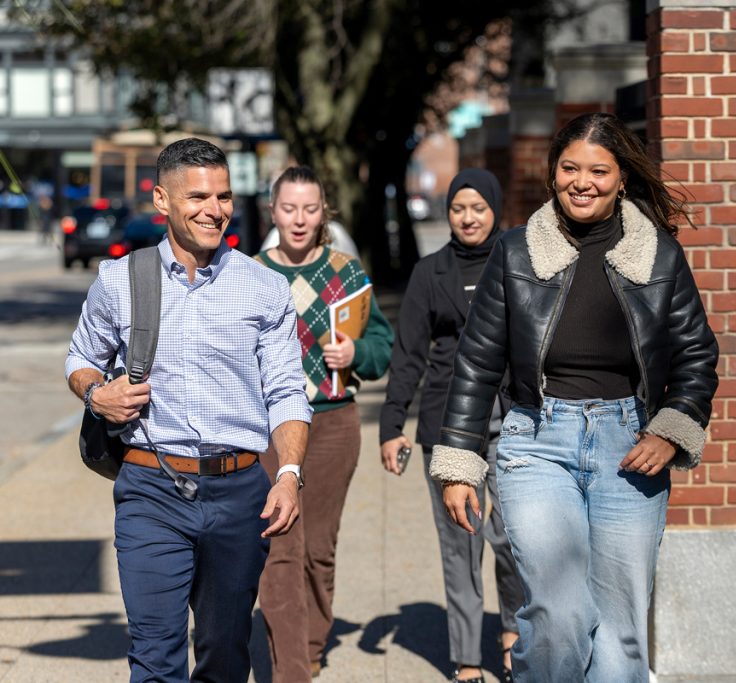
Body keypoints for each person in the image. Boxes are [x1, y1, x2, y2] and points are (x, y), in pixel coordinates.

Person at [430, 113, 720, 682]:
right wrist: (460, 463)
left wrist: (670, 429)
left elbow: (696, 356)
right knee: (559, 610)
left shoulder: (658, 256)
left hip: (629, 446)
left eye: (597, 170)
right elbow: (477, 363)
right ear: (552, 174)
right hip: (537, 442)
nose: (581, 182)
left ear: (621, 180)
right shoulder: (514, 254)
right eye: (569, 168)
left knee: (620, 628)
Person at [65, 137, 311, 682]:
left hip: (240, 489)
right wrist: (95, 394)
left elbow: (287, 391)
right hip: (151, 487)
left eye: (223, 196)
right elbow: (81, 357)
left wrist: (289, 474)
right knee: (156, 653)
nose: (214, 210)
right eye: (198, 196)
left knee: (225, 654)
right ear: (162, 201)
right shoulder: (120, 281)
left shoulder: (264, 288)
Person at [380, 169, 524, 683]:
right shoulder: (429, 272)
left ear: (495, 211)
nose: (468, 217)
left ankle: (513, 635)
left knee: (514, 539)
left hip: (512, 421)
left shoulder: (517, 262)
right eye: (460, 208)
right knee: (461, 545)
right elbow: (408, 356)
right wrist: (391, 424)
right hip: (445, 428)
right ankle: (466, 659)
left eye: (478, 208)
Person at [254, 165, 394, 682]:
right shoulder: (248, 273)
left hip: (334, 425)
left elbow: (383, 349)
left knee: (318, 548)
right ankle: (291, 669)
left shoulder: (347, 274)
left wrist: (356, 350)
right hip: (268, 429)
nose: (298, 219)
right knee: (279, 544)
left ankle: (311, 643)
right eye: (288, 208)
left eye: (309, 209)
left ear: (323, 214)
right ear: (273, 211)